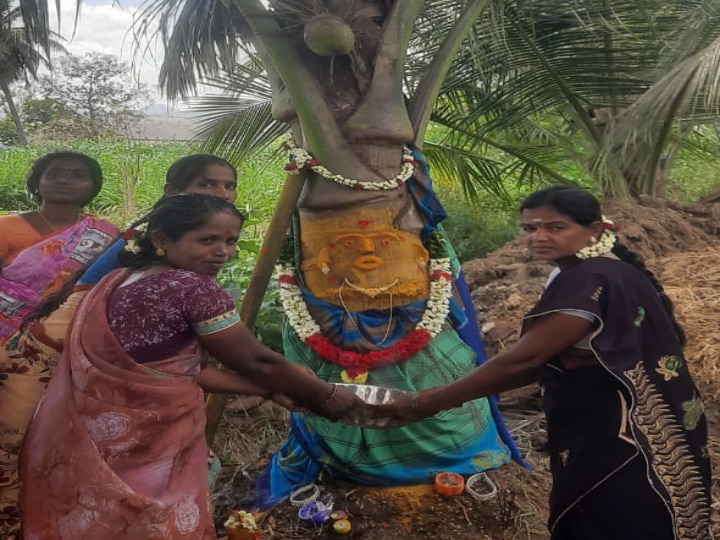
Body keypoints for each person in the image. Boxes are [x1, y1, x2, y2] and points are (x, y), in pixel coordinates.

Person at [372, 186, 712, 540]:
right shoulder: (598, 271)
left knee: (616, 517)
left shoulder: (592, 278)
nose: (539, 237)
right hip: (623, 422)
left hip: (622, 432)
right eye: (530, 228)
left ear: (594, 230)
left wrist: (424, 402)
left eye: (555, 227)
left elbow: (528, 358)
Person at [20, 193, 362, 539]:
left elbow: (179, 372)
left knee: (102, 519)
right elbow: (258, 361)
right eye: (207, 240)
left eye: (231, 241)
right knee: (155, 520)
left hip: (95, 438)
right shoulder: (191, 288)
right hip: (153, 442)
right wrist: (325, 394)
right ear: (161, 240)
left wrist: (269, 391)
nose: (223, 252)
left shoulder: (120, 280)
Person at [0, 151, 118, 537]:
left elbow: (105, 291)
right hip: (6, 342)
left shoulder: (105, 235)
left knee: (52, 434)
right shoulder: (6, 227)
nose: (66, 180)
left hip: (67, 344)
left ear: (93, 186)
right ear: (36, 182)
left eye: (79, 174)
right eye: (55, 174)